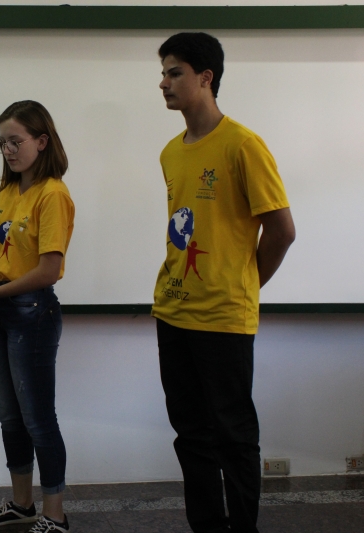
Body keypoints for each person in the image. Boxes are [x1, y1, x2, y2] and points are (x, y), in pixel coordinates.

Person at [153, 33, 296, 533]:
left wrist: (245, 283)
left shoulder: (242, 144)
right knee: (190, 435)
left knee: (233, 436)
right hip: (173, 311)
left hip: (223, 317)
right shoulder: (170, 152)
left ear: (205, 77)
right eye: (163, 73)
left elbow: (282, 231)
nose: (164, 83)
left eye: (174, 72)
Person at [0, 100, 75, 533]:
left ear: (41, 141)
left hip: (32, 313)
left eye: (16, 141)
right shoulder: (9, 191)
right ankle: (22, 504)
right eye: (2, 143)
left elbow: (48, 270)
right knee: (10, 417)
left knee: (38, 420)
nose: (8, 151)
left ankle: (55, 516)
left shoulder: (53, 194)